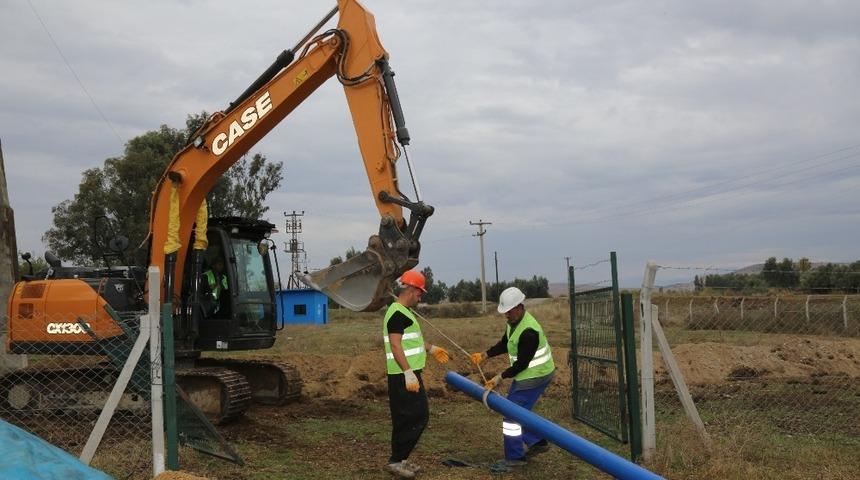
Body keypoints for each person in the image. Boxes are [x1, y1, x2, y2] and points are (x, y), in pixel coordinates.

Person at [470, 286, 555, 467]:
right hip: (528, 373)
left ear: (519, 307)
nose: (506, 315)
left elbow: (521, 365)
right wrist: (486, 354)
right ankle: (537, 441)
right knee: (518, 410)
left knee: (511, 414)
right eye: (505, 312)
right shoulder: (514, 323)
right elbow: (505, 343)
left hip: (536, 374)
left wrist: (499, 377)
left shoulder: (529, 331)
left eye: (508, 312)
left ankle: (515, 458)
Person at [383, 270, 450, 479]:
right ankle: (396, 461)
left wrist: (431, 348)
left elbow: (410, 341)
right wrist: (408, 373)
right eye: (419, 293)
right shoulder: (396, 313)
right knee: (417, 416)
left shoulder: (404, 312)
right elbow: (395, 345)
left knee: (408, 417)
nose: (420, 297)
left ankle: (400, 460)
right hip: (404, 375)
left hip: (407, 374)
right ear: (410, 290)